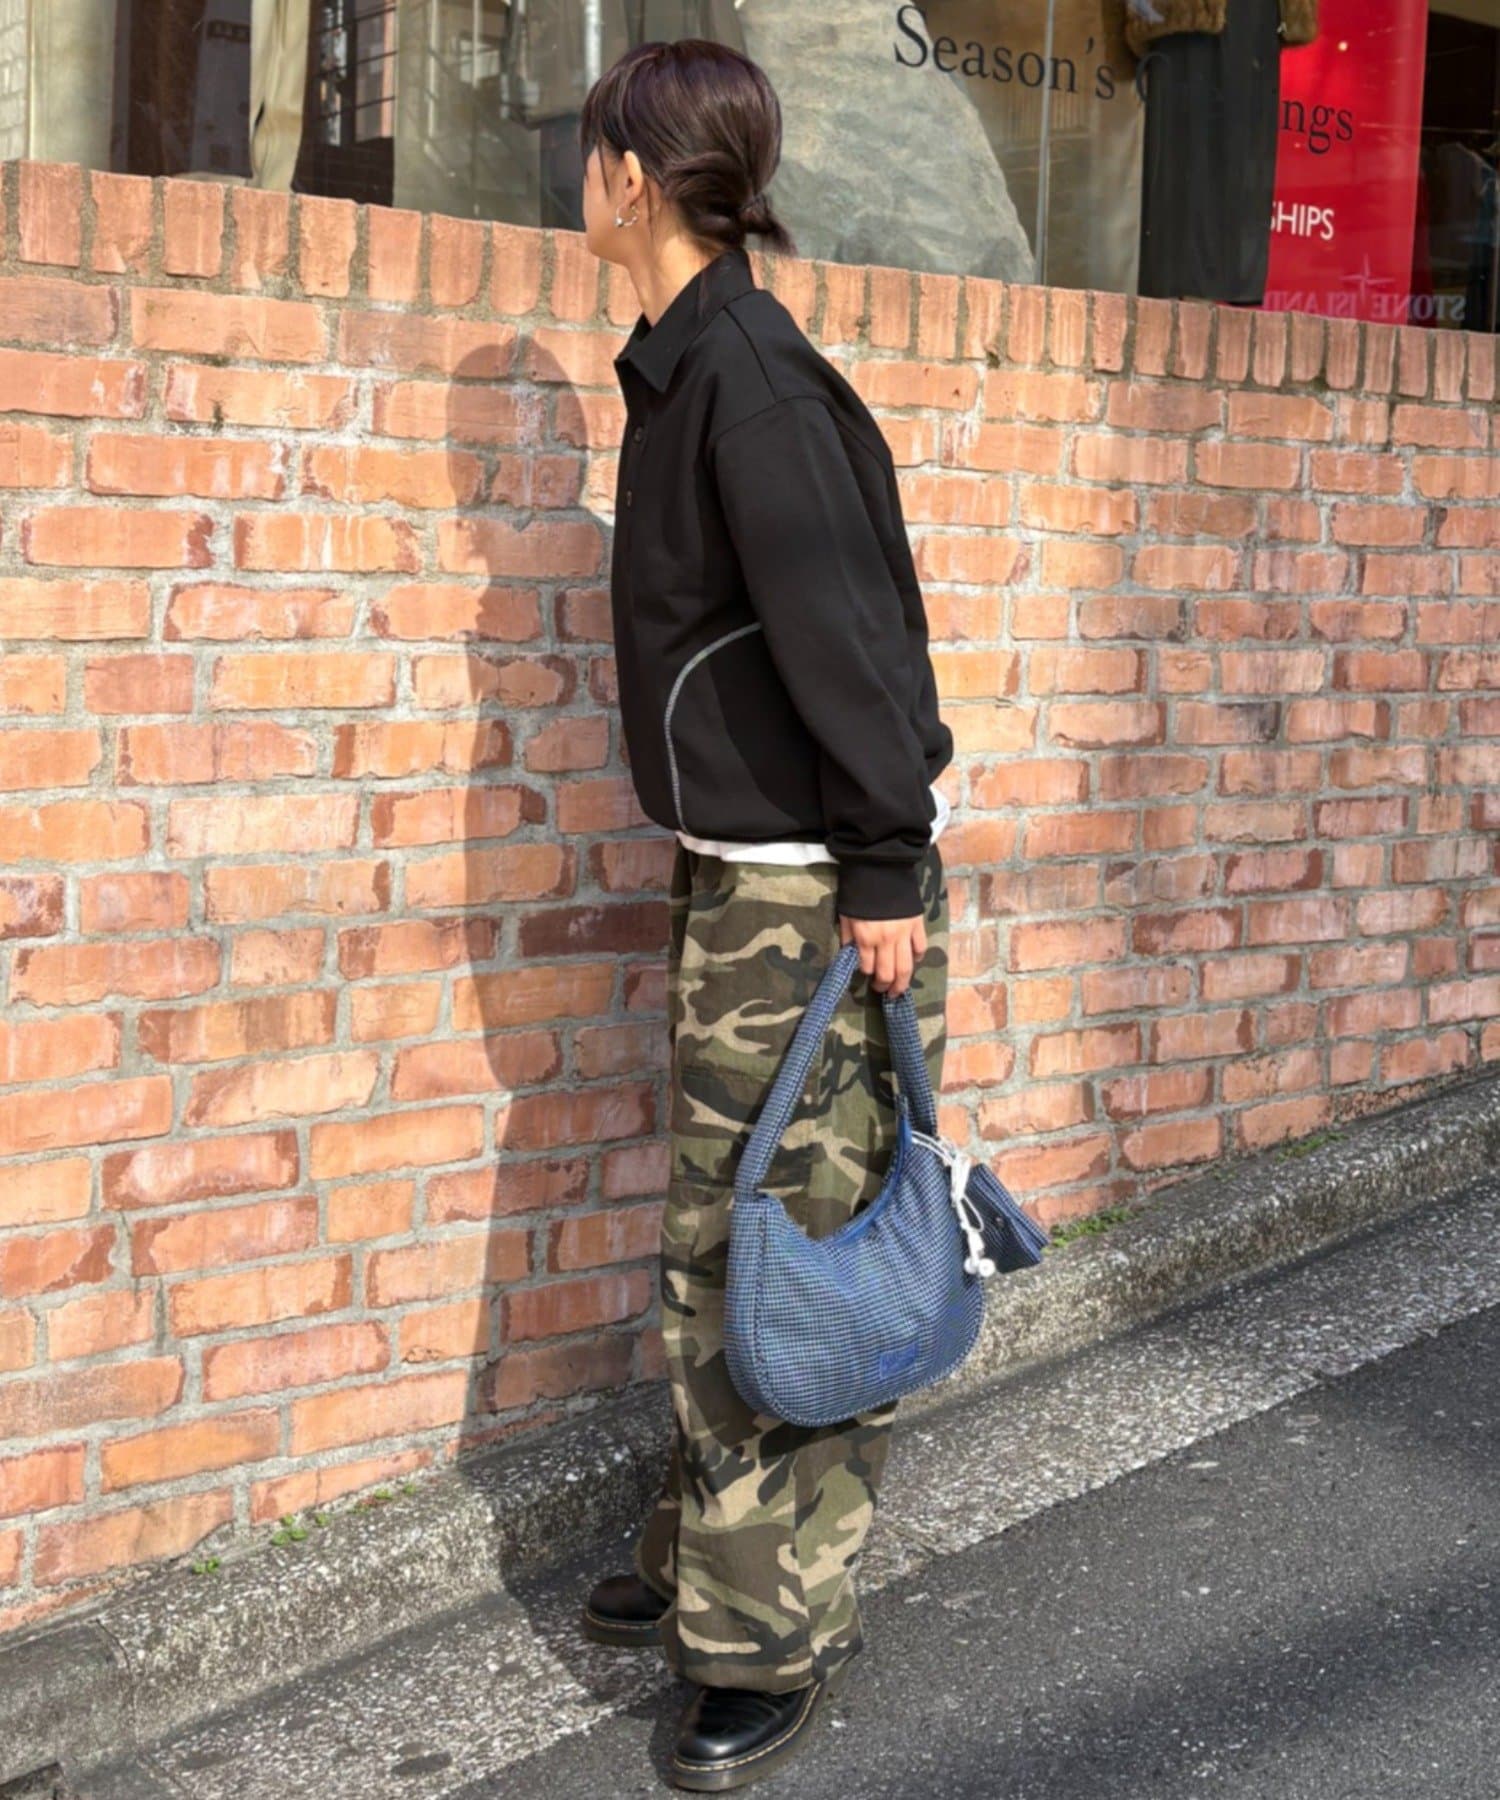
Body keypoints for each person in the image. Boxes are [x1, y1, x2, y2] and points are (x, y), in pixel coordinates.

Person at [574, 38, 954, 1792]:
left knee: (768, 1262)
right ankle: (707, 1558)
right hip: (749, 875)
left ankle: (765, 1642)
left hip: (807, 895)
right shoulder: (690, 365)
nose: (579, 181)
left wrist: (882, 867)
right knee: (736, 1242)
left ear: (634, 177)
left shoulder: (752, 384)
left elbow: (855, 643)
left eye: (593, 155)